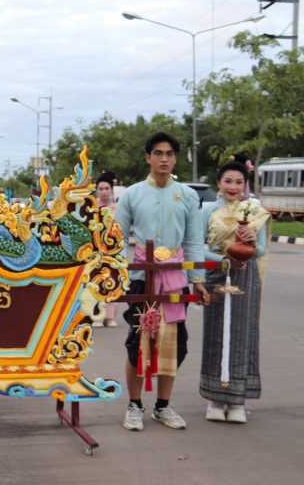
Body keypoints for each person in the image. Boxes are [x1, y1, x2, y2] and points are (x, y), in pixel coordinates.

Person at [115, 132, 208, 432]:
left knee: (173, 344)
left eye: (170, 153)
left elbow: (194, 240)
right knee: (137, 344)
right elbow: (116, 239)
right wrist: (117, 274)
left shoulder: (188, 195)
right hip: (141, 279)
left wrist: (198, 280)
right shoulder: (131, 194)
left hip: (174, 280)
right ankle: (134, 405)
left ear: (176, 158)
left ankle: (163, 406)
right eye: (158, 153)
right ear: (148, 157)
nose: (164, 159)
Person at [200, 160, 270, 424]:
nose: (233, 187)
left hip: (245, 275)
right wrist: (223, 258)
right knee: (216, 335)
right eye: (228, 181)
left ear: (245, 185)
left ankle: (237, 400)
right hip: (217, 273)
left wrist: (251, 243)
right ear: (219, 183)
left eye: (238, 182)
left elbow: (260, 250)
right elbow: (197, 246)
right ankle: (215, 399)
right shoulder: (208, 210)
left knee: (242, 335)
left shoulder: (255, 211)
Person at [93, 173, 118, 328]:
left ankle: (109, 317)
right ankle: (97, 315)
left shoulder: (118, 208)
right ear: (96, 190)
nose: (103, 191)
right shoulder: (91, 208)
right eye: (100, 188)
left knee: (112, 282)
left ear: (111, 190)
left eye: (106, 188)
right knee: (96, 282)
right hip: (95, 251)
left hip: (114, 251)